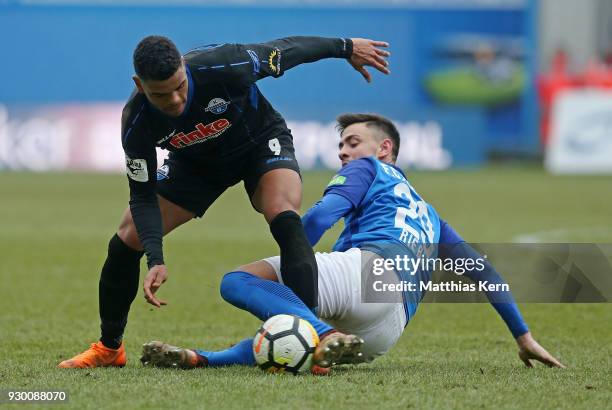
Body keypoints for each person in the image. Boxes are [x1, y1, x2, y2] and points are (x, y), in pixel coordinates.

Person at [58, 36, 390, 368]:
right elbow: (142, 197)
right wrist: (155, 257)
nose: (174, 100)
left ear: (184, 69)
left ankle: (314, 342)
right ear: (139, 86)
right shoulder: (136, 121)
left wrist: (345, 47)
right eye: (161, 94)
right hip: (195, 167)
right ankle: (109, 349)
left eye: (180, 87)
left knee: (282, 211)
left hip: (258, 143)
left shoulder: (225, 64)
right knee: (127, 237)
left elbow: (288, 51)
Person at [141, 113, 565, 372]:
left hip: (368, 277)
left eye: (353, 142)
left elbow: (321, 218)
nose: (344, 152)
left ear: (384, 149)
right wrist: (523, 335)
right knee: (289, 332)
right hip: (387, 332)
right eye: (341, 145)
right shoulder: (430, 216)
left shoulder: (367, 170)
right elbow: (482, 272)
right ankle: (202, 359)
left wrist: (295, 254)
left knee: (238, 281)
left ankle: (324, 332)